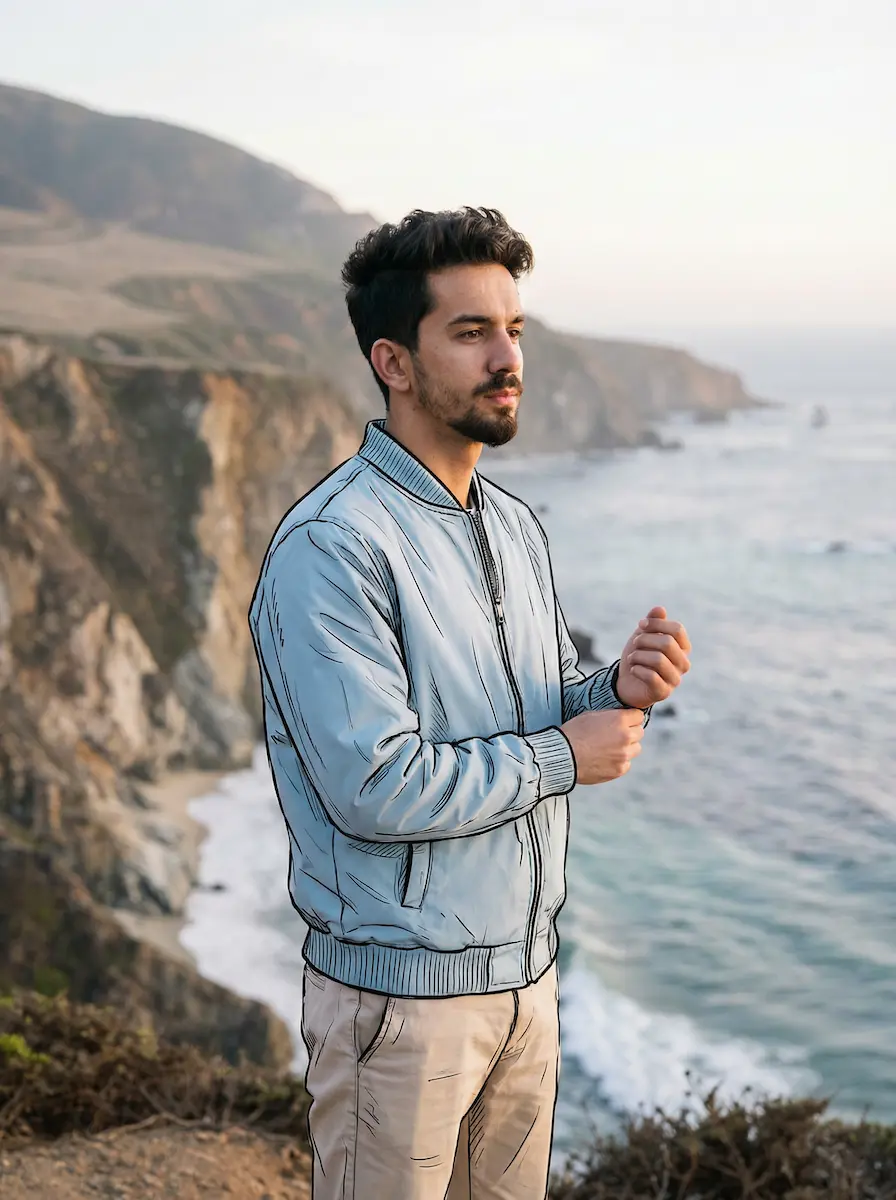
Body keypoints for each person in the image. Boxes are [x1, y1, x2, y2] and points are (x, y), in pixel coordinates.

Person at [248, 207, 691, 1200]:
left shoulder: (516, 527)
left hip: (527, 987)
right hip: (395, 1009)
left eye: (514, 330)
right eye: (470, 332)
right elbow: (375, 785)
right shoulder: (332, 546)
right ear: (393, 362)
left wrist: (608, 690)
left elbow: (518, 712)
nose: (507, 357)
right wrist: (565, 756)